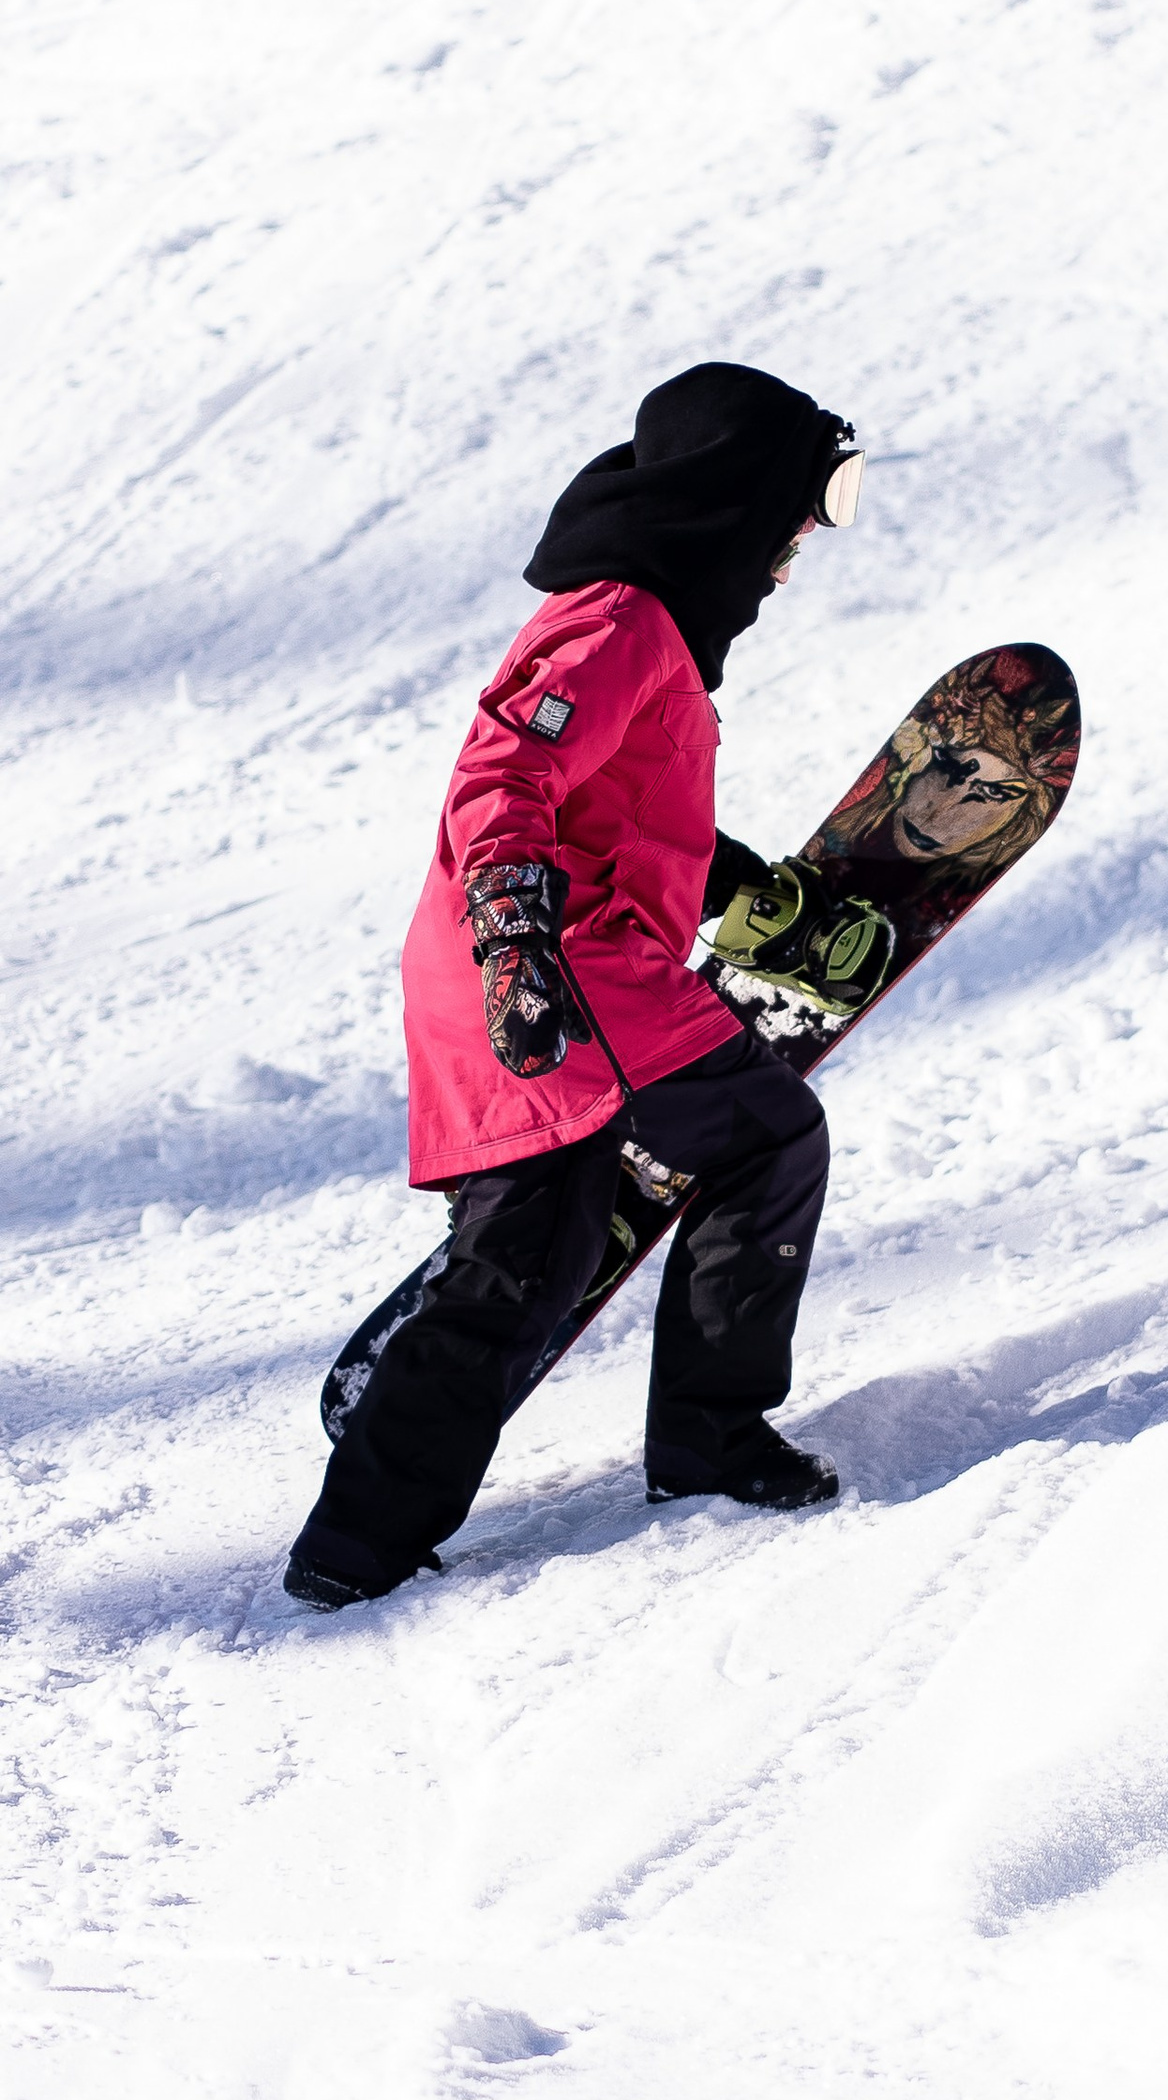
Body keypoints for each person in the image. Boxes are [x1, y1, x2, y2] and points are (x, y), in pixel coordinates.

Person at [283, 362, 865, 1610]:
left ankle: (367, 1536)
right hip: (553, 975)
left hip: (570, 966)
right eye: (812, 501)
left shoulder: (652, 625)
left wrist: (740, 892)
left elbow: (621, 811)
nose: (811, 536)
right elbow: (502, 784)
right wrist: (514, 946)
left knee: (557, 1243)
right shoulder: (613, 621)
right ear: (740, 496)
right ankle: (365, 1541)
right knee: (671, 1185)